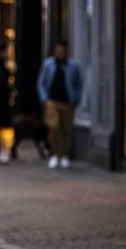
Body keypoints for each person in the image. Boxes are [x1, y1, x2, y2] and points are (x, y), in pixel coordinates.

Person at [36, 40, 84, 169]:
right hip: (52, 101)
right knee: (53, 127)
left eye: (62, 51)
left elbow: (79, 84)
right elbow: (41, 82)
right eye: (58, 51)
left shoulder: (73, 66)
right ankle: (54, 154)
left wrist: (76, 100)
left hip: (67, 102)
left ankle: (63, 155)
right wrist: (44, 99)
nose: (60, 53)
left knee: (65, 130)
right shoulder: (48, 64)